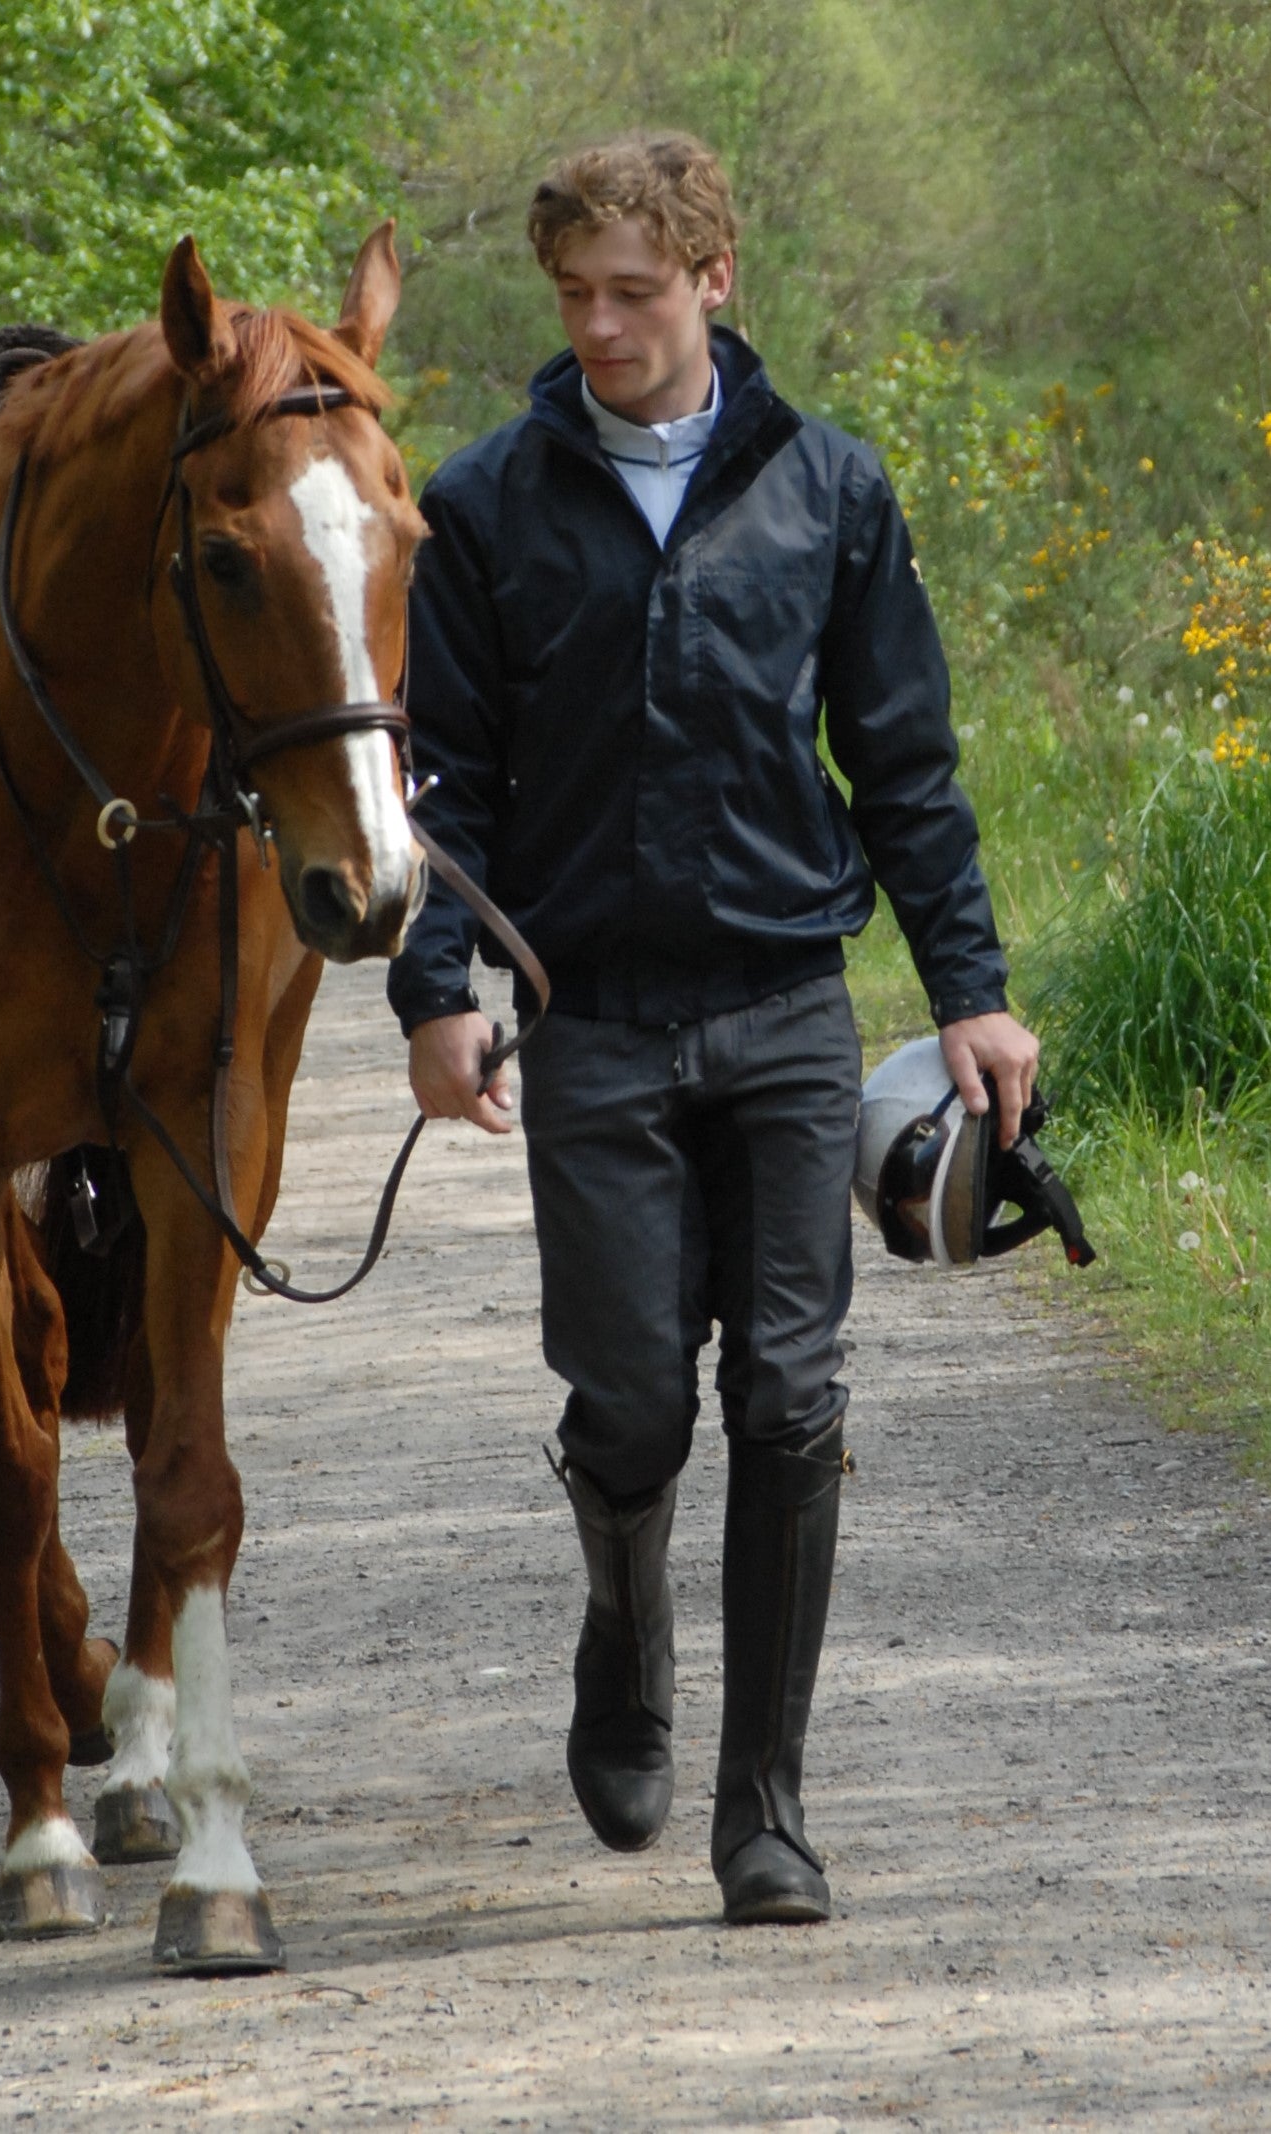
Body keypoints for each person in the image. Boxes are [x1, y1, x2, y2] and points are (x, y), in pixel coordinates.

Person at [386, 132, 1040, 1925]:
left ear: (714, 279)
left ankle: (765, 1811)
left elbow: (903, 766)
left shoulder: (827, 488)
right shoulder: (487, 504)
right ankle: (623, 1622)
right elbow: (448, 786)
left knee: (791, 1394)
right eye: (572, 295)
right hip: (585, 1022)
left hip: (782, 1012)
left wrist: (969, 989)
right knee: (623, 1400)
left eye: (632, 292)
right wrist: (436, 989)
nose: (597, 326)